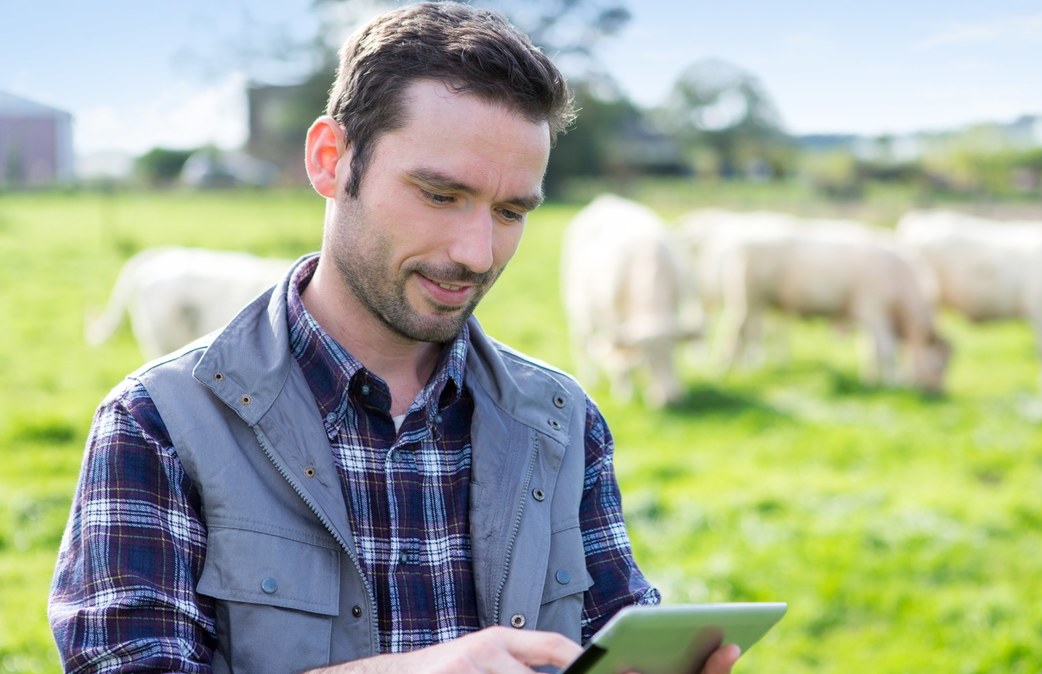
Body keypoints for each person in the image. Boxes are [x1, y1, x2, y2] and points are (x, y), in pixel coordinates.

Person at [48, 3, 741, 672]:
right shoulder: (156, 424)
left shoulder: (565, 423)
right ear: (330, 160)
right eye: (440, 195)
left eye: (510, 211)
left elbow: (614, 637)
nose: (476, 252)